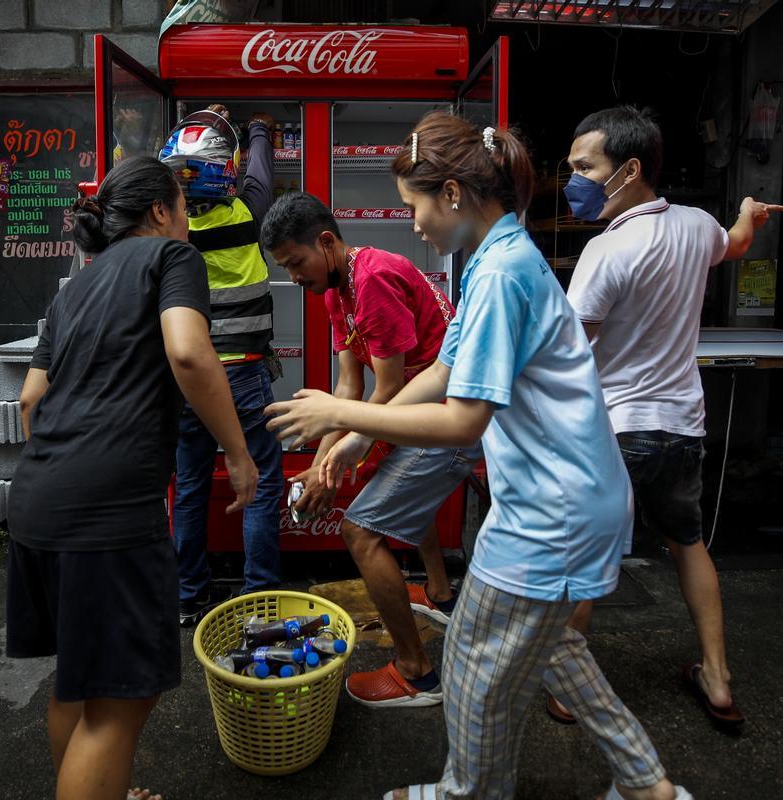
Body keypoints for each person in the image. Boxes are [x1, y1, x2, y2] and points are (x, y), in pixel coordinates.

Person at [266, 112, 691, 800]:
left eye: (415, 206)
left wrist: (339, 412)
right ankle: (647, 785)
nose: (413, 225)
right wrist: (354, 436)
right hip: (570, 495)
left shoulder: (500, 273)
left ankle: (470, 792)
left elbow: (463, 423)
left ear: (455, 194)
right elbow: (437, 375)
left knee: (469, 657)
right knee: (554, 644)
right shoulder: (499, 257)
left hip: (550, 509)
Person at [6, 156, 258, 800]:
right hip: (110, 512)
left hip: (37, 500)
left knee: (81, 680)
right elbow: (187, 350)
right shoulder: (172, 260)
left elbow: (31, 402)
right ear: (160, 212)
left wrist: (67, 468)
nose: (187, 219)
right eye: (182, 205)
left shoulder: (75, 289)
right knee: (120, 700)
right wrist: (237, 452)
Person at [549, 106, 783, 730]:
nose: (572, 181)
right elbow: (734, 242)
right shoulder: (697, 226)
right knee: (688, 544)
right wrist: (750, 213)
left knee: (586, 560)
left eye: (583, 168)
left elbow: (569, 356)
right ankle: (718, 676)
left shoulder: (605, 251)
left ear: (628, 171)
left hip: (618, 431)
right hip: (682, 426)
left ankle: (572, 690)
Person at [259, 191, 479, 708]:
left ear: (327, 242)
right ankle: (440, 592)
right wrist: (318, 466)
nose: (294, 277)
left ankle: (417, 672)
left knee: (360, 531)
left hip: (446, 419)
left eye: (296, 262)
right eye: (285, 268)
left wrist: (338, 458)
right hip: (412, 415)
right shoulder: (338, 291)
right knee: (396, 491)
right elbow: (347, 392)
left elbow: (386, 389)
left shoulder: (374, 278)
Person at [160, 104, 286, 625]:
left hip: (190, 380)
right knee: (259, 480)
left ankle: (190, 595)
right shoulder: (248, 212)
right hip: (246, 376)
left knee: (188, 486)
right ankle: (260, 596)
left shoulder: (168, 228)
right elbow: (261, 166)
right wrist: (256, 127)